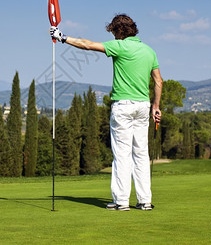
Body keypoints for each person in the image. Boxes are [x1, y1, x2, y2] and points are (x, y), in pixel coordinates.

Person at [50, 14, 162, 211]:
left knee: (122, 155)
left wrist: (63, 37)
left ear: (119, 31)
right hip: (143, 106)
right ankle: (145, 201)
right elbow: (158, 81)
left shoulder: (119, 46)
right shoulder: (149, 51)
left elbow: (87, 45)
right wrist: (156, 106)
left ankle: (121, 201)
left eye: (113, 31)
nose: (114, 35)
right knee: (141, 154)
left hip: (123, 106)